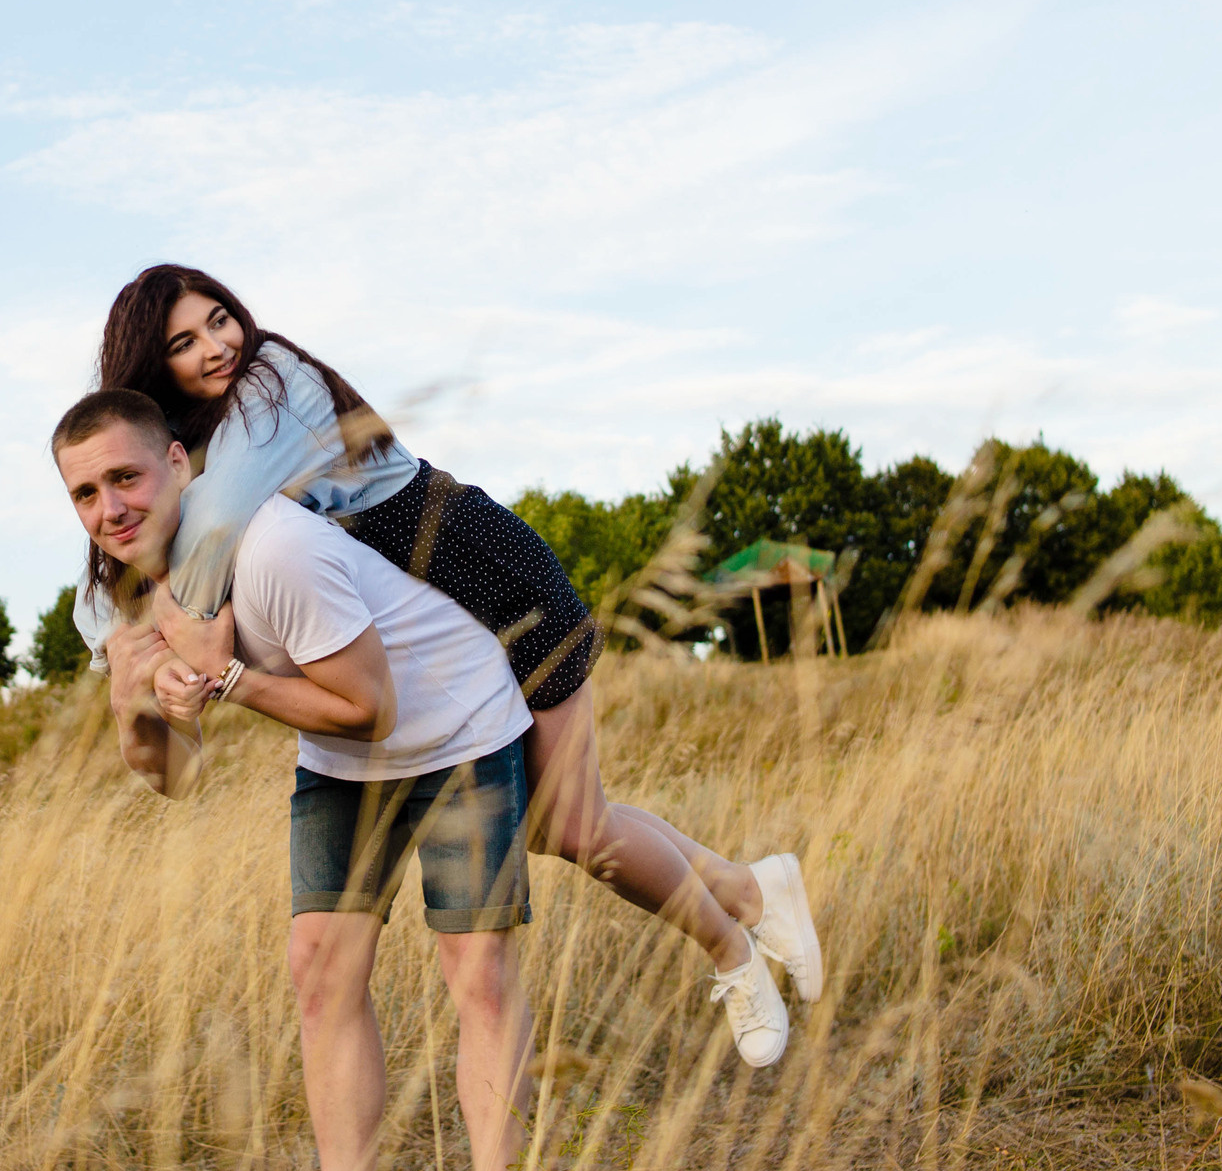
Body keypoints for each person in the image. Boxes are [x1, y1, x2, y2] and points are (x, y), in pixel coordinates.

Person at [71, 265, 819, 1063]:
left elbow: (209, 523)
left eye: (221, 318)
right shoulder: (186, 443)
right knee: (557, 822)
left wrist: (140, 625)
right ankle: (753, 888)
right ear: (153, 370)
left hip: (491, 579)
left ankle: (734, 955)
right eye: (185, 342)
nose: (219, 344)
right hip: (440, 625)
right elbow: (123, 557)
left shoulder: (271, 383)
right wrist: (113, 630)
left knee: (572, 823)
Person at [54, 386, 538, 1171]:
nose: (111, 509)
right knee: (319, 966)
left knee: (478, 971)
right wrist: (128, 705)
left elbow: (370, 709)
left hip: (456, 721)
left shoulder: (273, 548)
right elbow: (174, 775)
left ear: (178, 462)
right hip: (344, 754)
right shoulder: (114, 600)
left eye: (125, 478)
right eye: (85, 493)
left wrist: (227, 677)